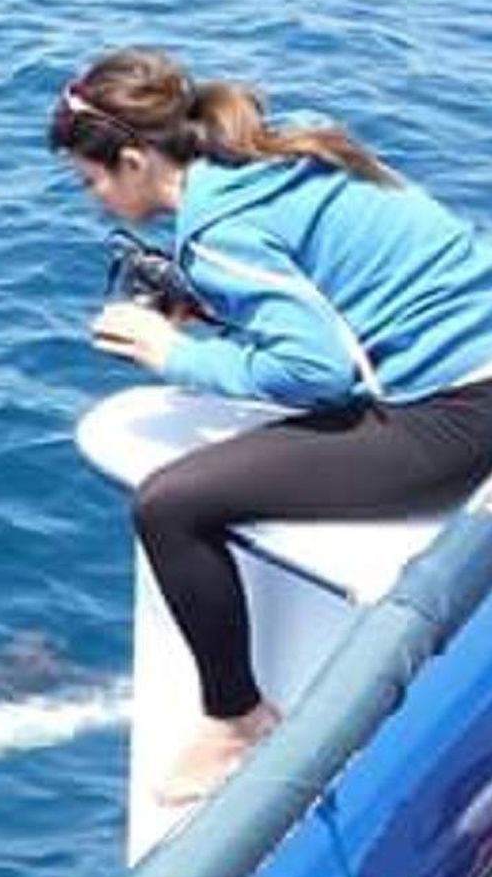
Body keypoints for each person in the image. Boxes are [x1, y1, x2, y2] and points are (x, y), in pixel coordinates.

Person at [48, 49, 492, 803]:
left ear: (132, 161)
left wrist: (176, 354)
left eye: (91, 182)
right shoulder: (284, 142)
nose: (94, 201)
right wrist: (220, 322)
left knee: (171, 506)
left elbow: (317, 376)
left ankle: (237, 720)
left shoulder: (217, 232)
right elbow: (340, 289)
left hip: (459, 412)